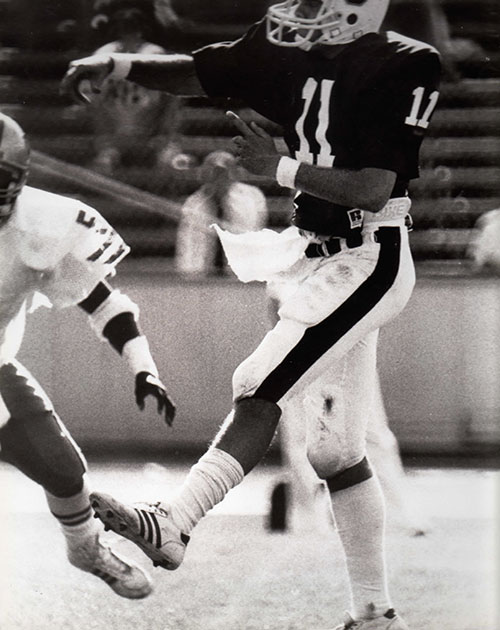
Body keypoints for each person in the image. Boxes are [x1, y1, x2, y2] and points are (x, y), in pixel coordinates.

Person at [61, 0, 441, 627]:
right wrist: (120, 62)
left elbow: (374, 186)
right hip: (317, 254)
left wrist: (281, 166)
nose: (308, 11)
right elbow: (204, 72)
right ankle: (375, 614)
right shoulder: (295, 45)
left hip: (370, 252)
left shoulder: (404, 62)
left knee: (256, 384)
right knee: (335, 453)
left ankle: (174, 524)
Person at [0, 113, 176, 599]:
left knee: (64, 470)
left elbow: (104, 303)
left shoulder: (43, 226)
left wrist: (144, 367)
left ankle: (84, 548)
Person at [86, 0, 181, 174]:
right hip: (113, 137)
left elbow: (172, 98)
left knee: (169, 162)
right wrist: (104, 137)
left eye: (131, 29)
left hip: (150, 135)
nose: (129, 34)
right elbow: (95, 103)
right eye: (126, 29)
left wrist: (164, 134)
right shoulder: (103, 55)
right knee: (104, 162)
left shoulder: (155, 54)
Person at [175, 150, 268, 275]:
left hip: (242, 271)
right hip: (201, 273)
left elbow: (253, 232)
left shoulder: (251, 197)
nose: (219, 178)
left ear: (234, 174)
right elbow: (188, 246)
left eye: (224, 173)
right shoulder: (194, 204)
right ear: (204, 175)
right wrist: (189, 274)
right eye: (214, 173)